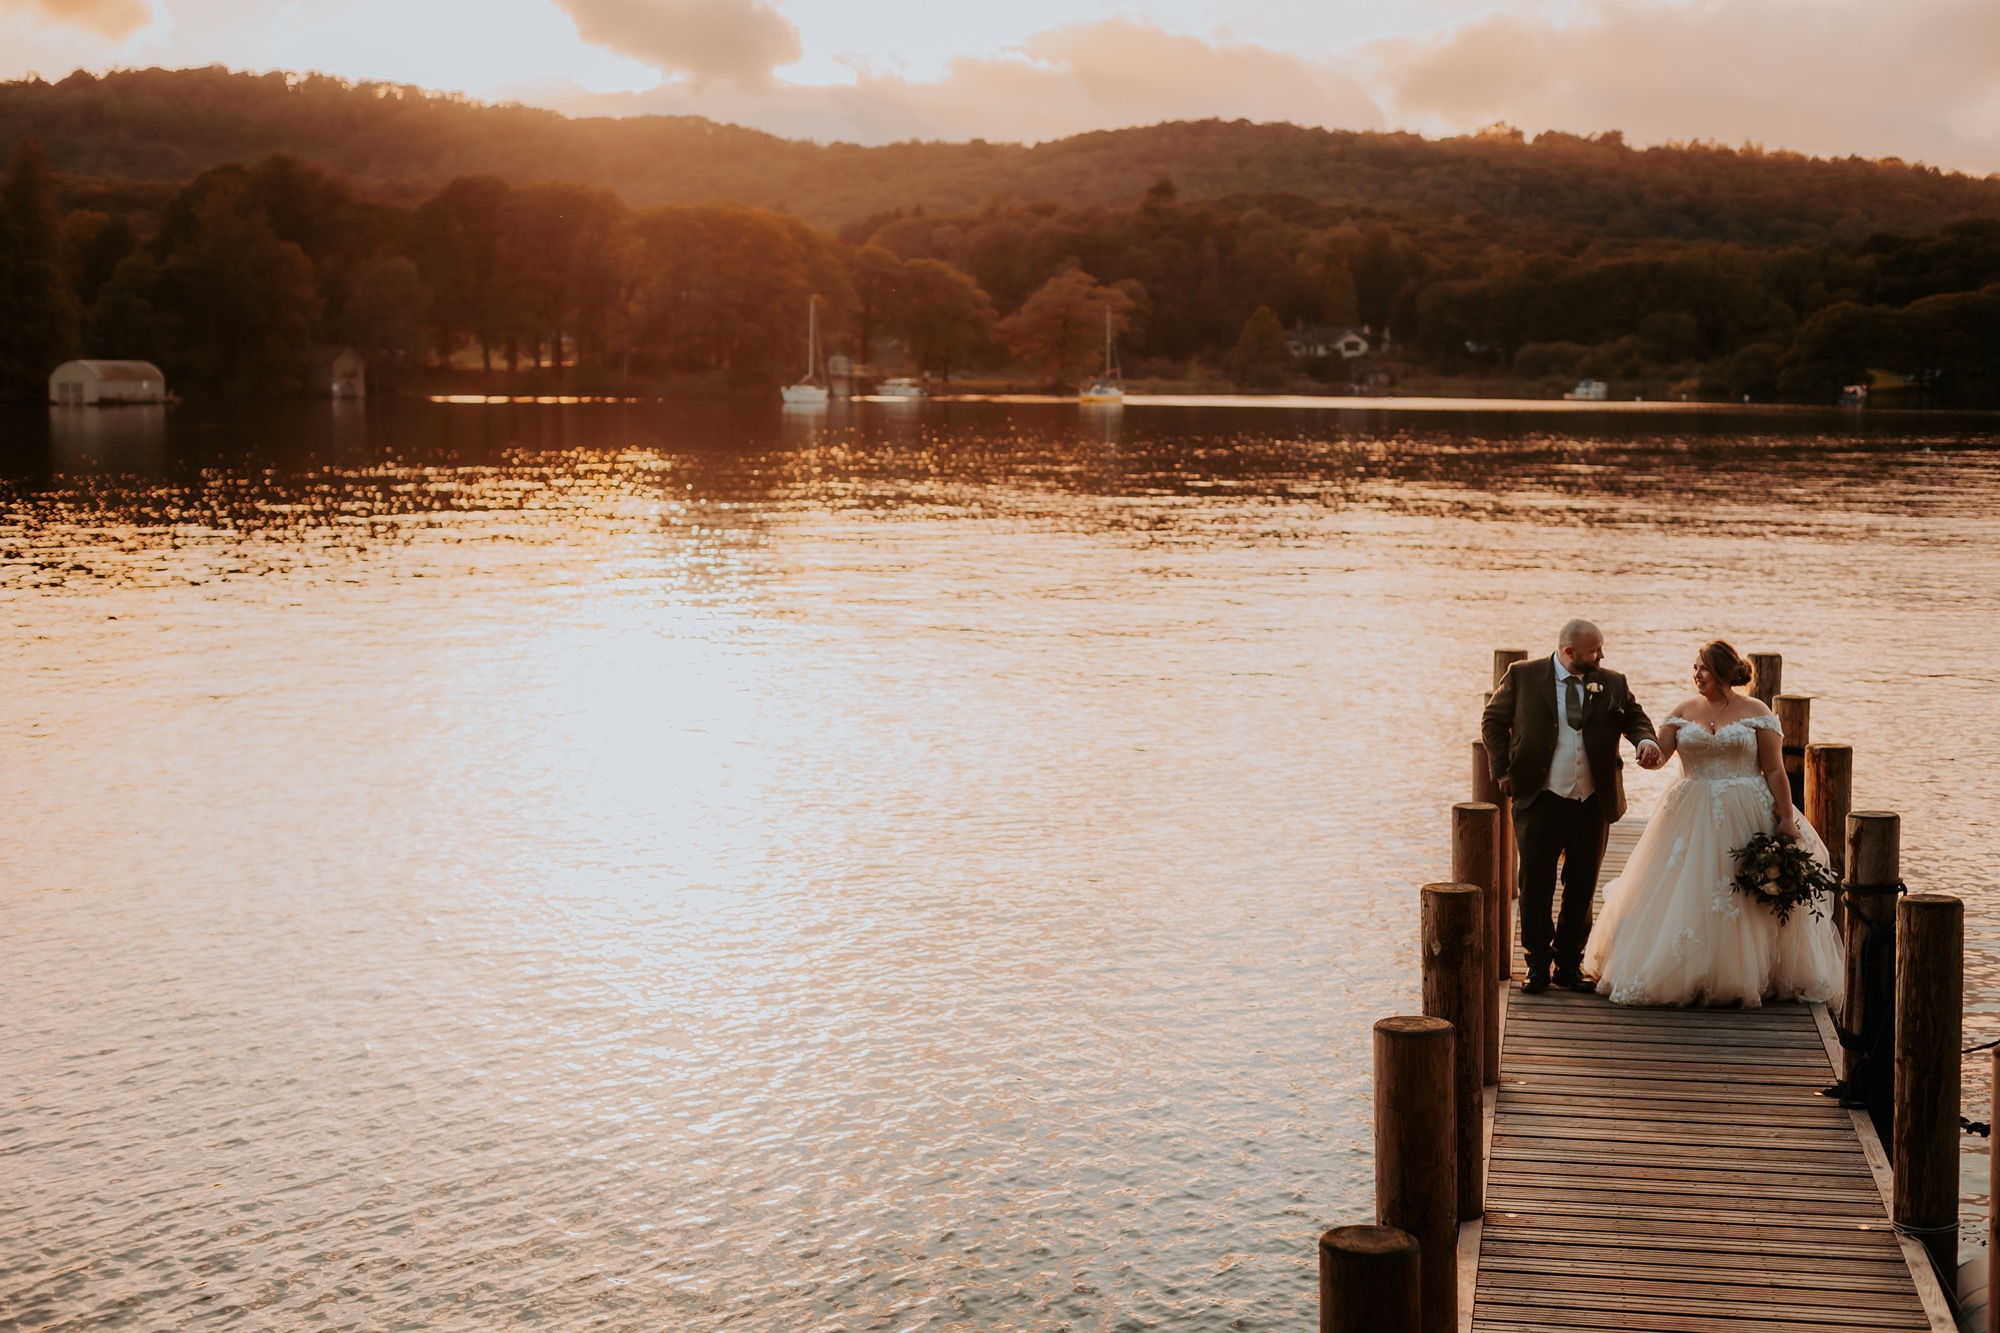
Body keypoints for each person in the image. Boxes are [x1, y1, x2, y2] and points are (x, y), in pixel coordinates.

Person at [1583, 640, 1843, 1006]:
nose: (1696, 674)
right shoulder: (1683, 710)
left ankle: (1744, 974)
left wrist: (1786, 816)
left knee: (1741, 890)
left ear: (1722, 671)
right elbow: (1660, 755)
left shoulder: (1756, 711)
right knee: (1686, 887)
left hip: (1746, 807)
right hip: (1688, 808)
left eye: (1703, 668)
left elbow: (1774, 769)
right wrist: (1647, 753)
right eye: (1694, 668)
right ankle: (1686, 969)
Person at [1482, 620, 1661, 995]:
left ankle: (1568, 963)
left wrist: (1644, 740)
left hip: (1592, 802)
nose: (1601, 656)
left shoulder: (1613, 682)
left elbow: (1634, 717)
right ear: (1569, 652)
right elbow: (1493, 722)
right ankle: (1536, 964)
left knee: (1581, 886)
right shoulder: (1523, 676)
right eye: (1594, 650)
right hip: (1539, 798)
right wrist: (1502, 771)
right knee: (1535, 885)